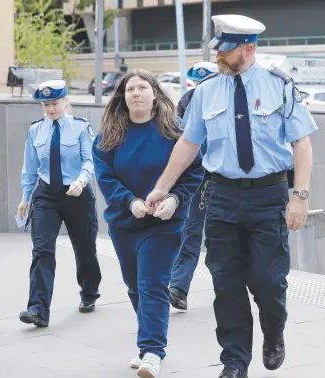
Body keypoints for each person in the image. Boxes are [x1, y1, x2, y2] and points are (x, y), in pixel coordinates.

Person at [146, 14, 318, 378]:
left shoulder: (279, 85)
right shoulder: (206, 90)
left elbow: (301, 142)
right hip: (222, 195)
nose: (218, 56)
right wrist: (163, 186)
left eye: (224, 50)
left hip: (269, 194)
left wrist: (299, 195)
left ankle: (274, 331)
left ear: (248, 49)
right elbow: (189, 143)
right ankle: (234, 362)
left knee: (268, 282)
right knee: (225, 283)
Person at [92, 69, 204, 378]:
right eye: (130, 89)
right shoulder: (109, 135)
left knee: (152, 284)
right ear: (123, 97)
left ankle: (153, 351)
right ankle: (146, 344)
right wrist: (131, 201)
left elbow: (194, 171)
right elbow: (105, 176)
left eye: (143, 87)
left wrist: (175, 200)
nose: (136, 93)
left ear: (155, 93)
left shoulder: (174, 133)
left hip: (164, 223)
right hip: (124, 223)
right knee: (133, 286)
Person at [18, 80, 102, 327]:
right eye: (46, 104)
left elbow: (90, 160)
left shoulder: (80, 127)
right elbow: (30, 168)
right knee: (42, 250)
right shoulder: (36, 131)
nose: (50, 109)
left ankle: (89, 292)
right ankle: (37, 309)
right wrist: (25, 198)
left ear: (66, 101)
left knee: (84, 248)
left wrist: (82, 179)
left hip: (77, 193)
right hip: (46, 196)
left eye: (55, 103)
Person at [170, 61, 218, 310]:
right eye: (198, 82)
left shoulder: (227, 98)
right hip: (196, 177)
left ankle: (228, 288)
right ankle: (178, 288)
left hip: (222, 179)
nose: (201, 86)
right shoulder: (187, 101)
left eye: (206, 81)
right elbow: (180, 138)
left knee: (220, 237)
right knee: (190, 232)